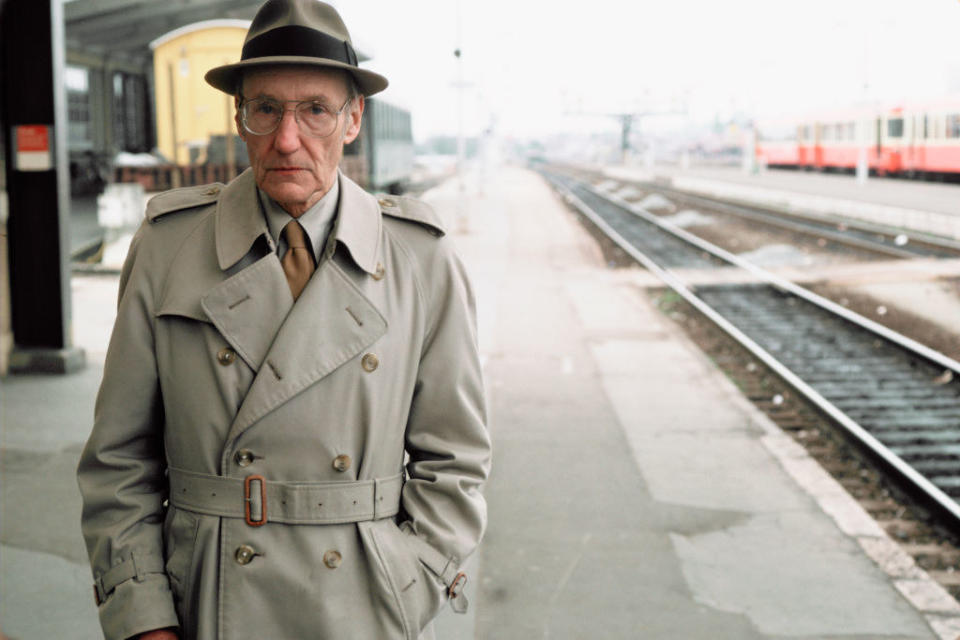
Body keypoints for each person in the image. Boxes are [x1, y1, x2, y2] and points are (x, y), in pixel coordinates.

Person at [76, 1, 491, 638]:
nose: (286, 139)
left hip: (365, 602)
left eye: (315, 111)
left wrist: (412, 582)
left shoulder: (419, 259)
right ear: (239, 118)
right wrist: (141, 612)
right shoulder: (169, 247)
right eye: (265, 108)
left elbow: (455, 460)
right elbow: (119, 458)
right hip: (209, 595)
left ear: (353, 120)